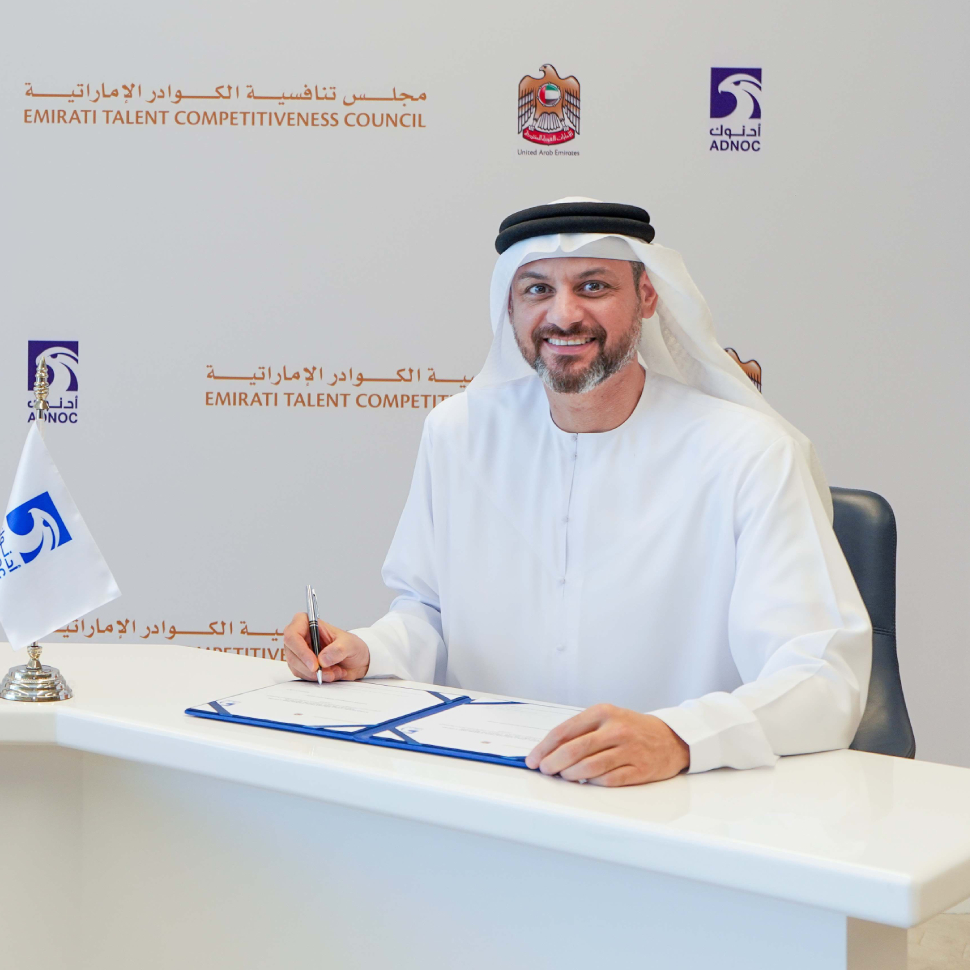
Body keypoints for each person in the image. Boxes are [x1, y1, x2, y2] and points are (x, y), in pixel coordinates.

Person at [283, 199, 870, 786]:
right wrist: (367, 651)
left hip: (675, 797)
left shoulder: (749, 453)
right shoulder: (458, 434)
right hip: (489, 786)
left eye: (593, 286)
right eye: (537, 290)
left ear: (646, 297)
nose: (564, 315)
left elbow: (821, 674)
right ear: (510, 306)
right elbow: (430, 614)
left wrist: (679, 738)